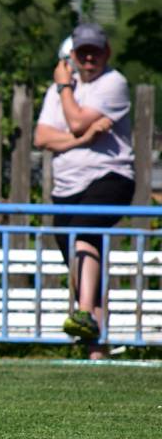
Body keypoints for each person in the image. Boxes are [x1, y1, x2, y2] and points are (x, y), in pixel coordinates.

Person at [33, 23, 135, 360]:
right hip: (67, 186)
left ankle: (85, 314)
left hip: (110, 177)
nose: (89, 57)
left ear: (107, 53)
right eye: (82, 52)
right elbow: (42, 138)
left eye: (95, 51)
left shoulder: (113, 83)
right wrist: (85, 139)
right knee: (83, 262)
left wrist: (65, 89)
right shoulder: (57, 91)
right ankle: (97, 347)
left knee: (83, 236)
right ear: (72, 55)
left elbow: (74, 120)